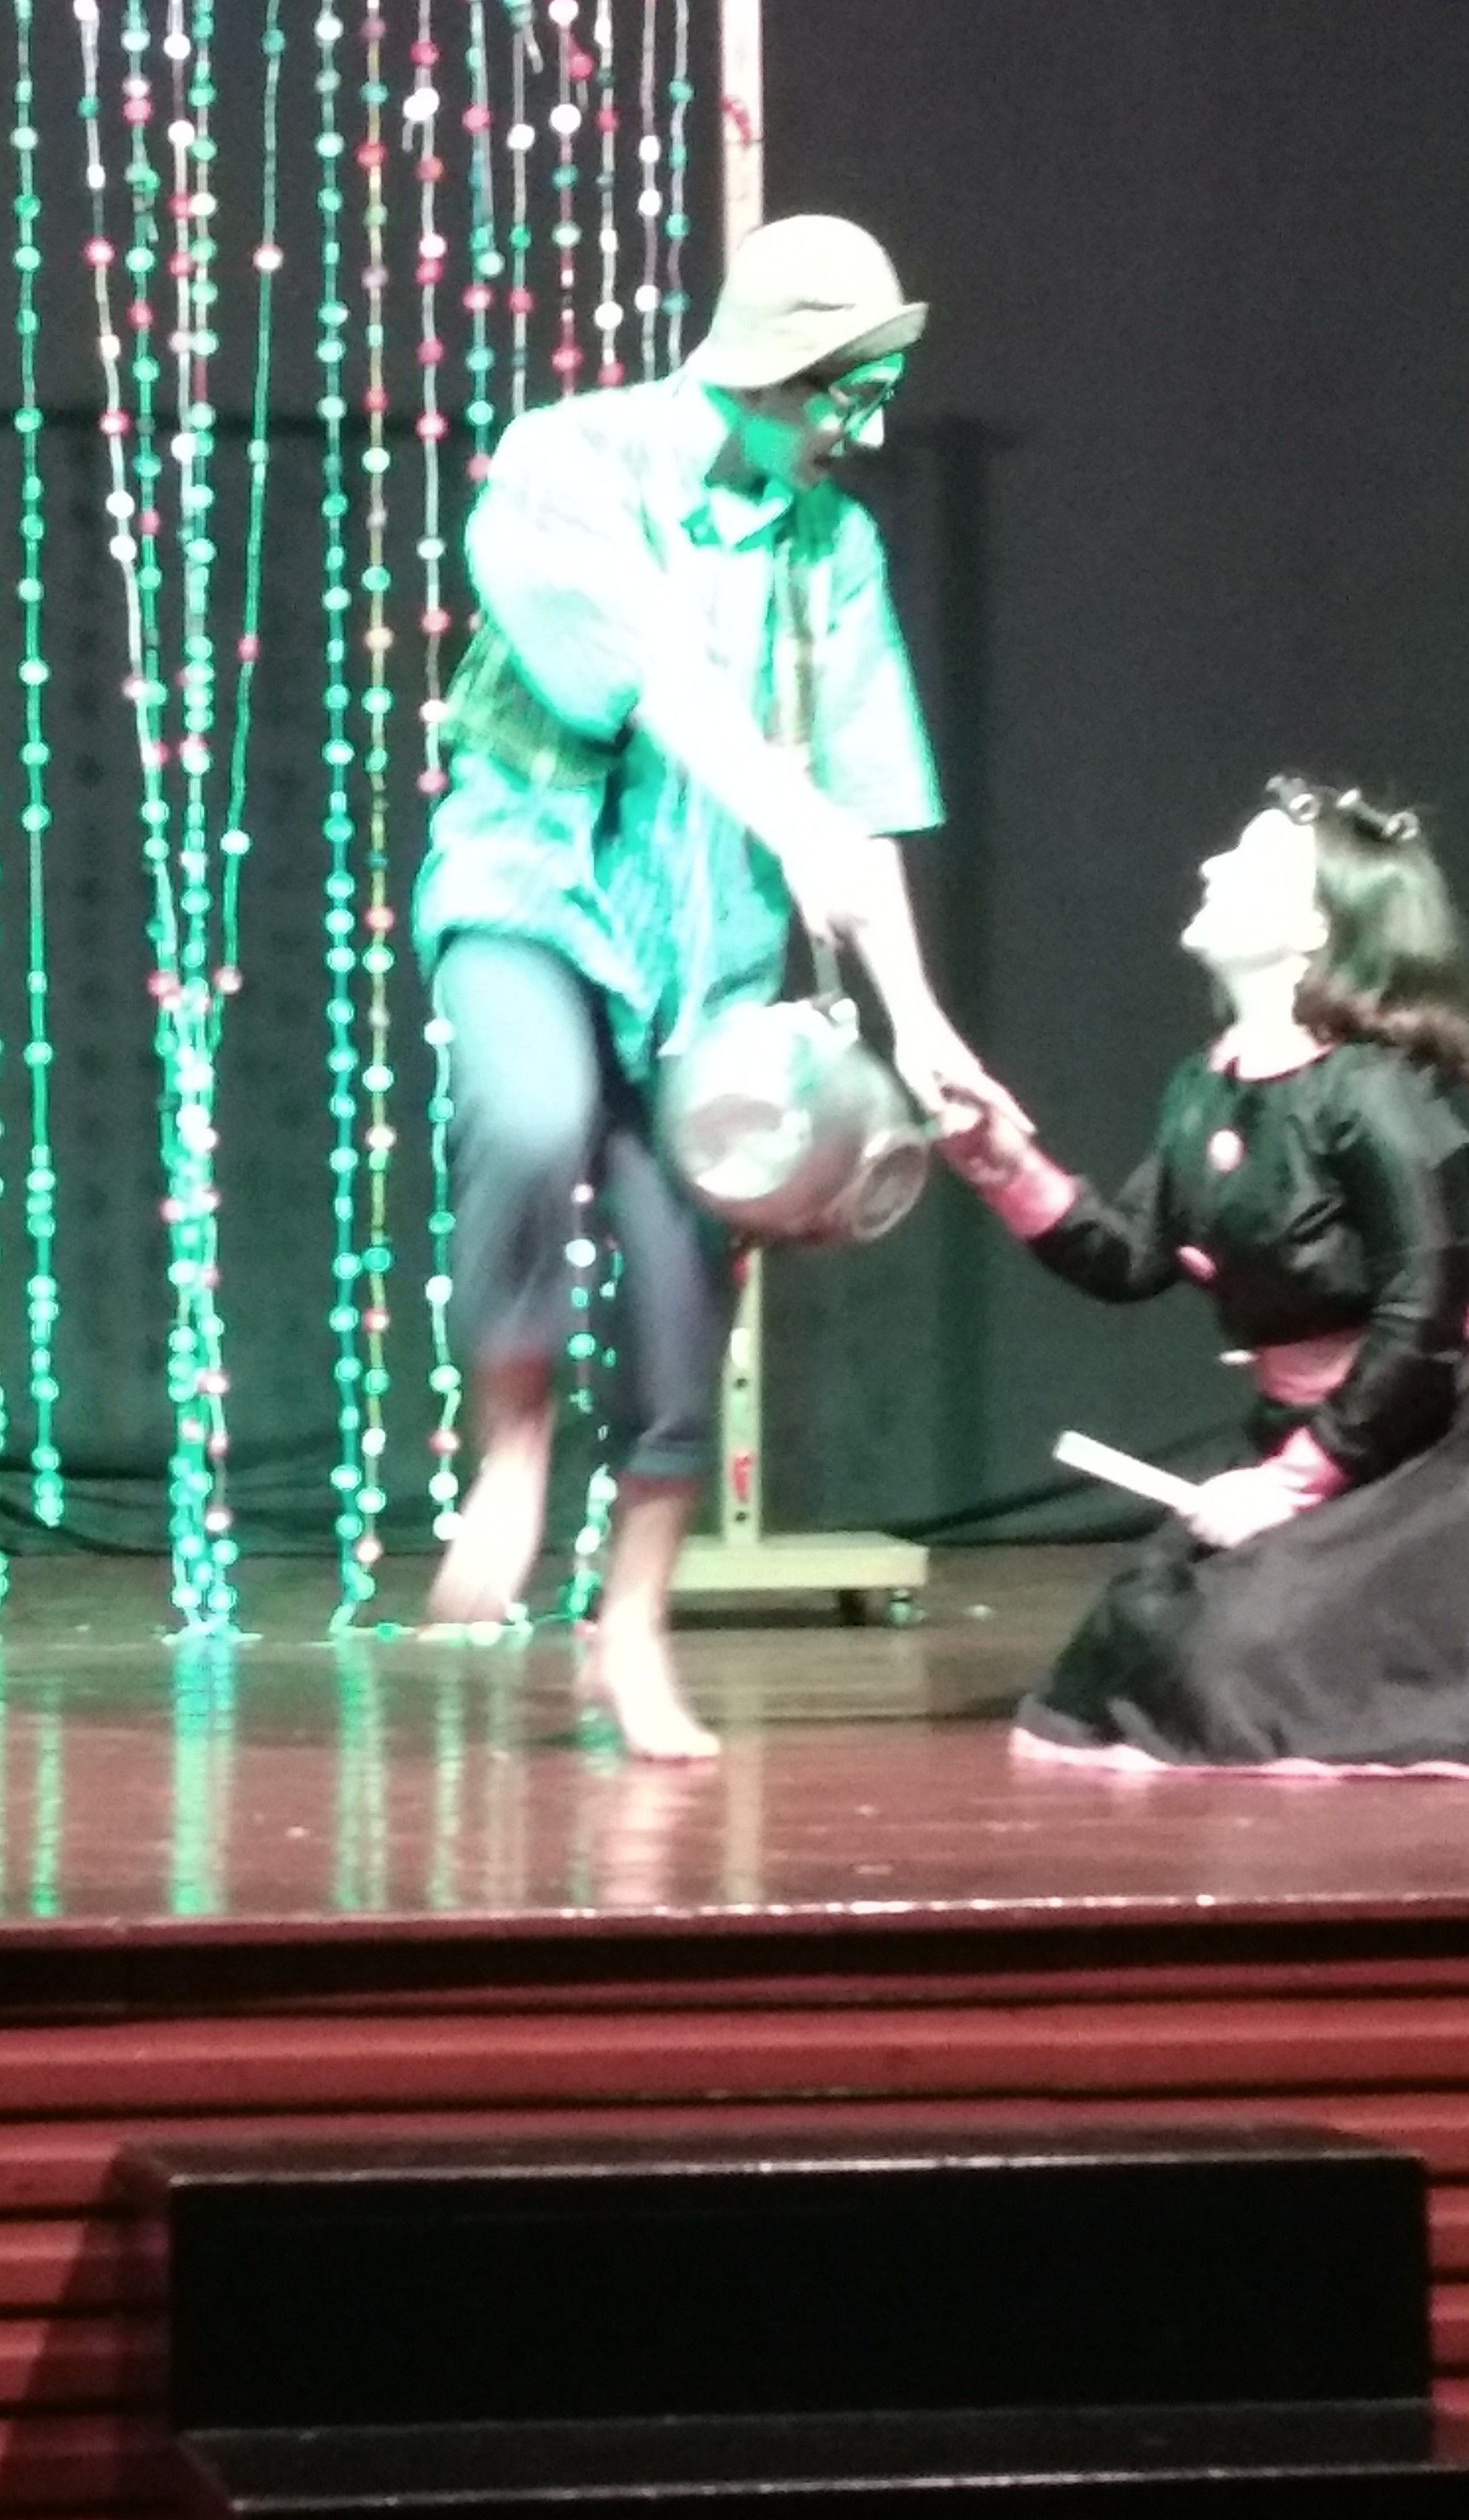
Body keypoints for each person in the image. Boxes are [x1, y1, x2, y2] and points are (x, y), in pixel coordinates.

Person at [414, 214, 998, 1762]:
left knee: (684, 1301)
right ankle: (513, 1442)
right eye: (844, 393)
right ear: (768, 370)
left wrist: (922, 1023)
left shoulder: (831, 550)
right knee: (530, 1121)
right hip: (531, 895)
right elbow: (644, 680)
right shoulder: (569, 461)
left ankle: (630, 1632)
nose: (862, 429)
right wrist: (790, 816)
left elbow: (862, 803)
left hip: (708, 976)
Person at [938, 778, 1469, 1776]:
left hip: (1434, 1449)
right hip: (1318, 1438)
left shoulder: (1370, 1095)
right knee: (1146, 1632)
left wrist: (1295, 1479)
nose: (1210, 866)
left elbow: (1425, 1312)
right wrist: (1006, 1166)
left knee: (1239, 1664)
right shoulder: (1206, 1087)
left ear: (1316, 926)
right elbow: (1132, 1256)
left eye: (1248, 859)